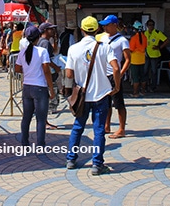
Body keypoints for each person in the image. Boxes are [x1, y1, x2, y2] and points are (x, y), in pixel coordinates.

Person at [65, 16, 120, 176]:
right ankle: (97, 164)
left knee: (77, 128)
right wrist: (116, 86)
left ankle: (71, 159)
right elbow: (116, 68)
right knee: (99, 131)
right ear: (97, 30)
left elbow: (69, 74)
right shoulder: (105, 47)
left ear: (81, 30)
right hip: (101, 94)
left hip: (83, 96)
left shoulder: (73, 49)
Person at [15, 25, 55, 147]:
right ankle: (40, 143)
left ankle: (24, 141)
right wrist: (51, 89)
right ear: (38, 37)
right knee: (41, 118)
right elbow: (46, 71)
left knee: (26, 117)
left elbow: (17, 68)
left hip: (27, 86)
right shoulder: (42, 51)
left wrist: (28, 71)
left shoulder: (22, 52)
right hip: (39, 87)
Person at [98, 15, 131, 139]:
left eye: (107, 24)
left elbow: (128, 59)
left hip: (114, 74)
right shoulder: (103, 38)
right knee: (105, 102)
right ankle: (107, 125)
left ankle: (122, 129)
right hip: (104, 74)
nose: (104, 27)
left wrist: (121, 73)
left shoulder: (122, 40)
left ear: (114, 25)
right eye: (104, 25)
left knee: (118, 102)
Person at [38, 22, 62, 124]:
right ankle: (45, 121)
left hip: (45, 73)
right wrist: (56, 67)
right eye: (51, 29)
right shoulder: (45, 43)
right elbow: (46, 61)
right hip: (48, 73)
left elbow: (54, 51)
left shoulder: (44, 42)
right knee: (50, 96)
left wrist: (55, 40)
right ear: (45, 31)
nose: (53, 31)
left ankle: (45, 121)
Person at [143, 19, 168, 92]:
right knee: (145, 71)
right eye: (149, 25)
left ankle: (153, 87)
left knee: (154, 71)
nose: (151, 26)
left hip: (155, 55)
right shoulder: (145, 33)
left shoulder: (157, 33)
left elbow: (166, 40)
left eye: (152, 25)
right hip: (147, 54)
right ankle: (145, 86)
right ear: (147, 26)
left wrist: (159, 47)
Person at [129, 21, 147, 97]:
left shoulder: (133, 38)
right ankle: (143, 92)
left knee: (135, 77)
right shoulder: (145, 37)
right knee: (142, 76)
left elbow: (131, 49)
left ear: (135, 29)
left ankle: (135, 93)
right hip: (142, 59)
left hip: (134, 60)